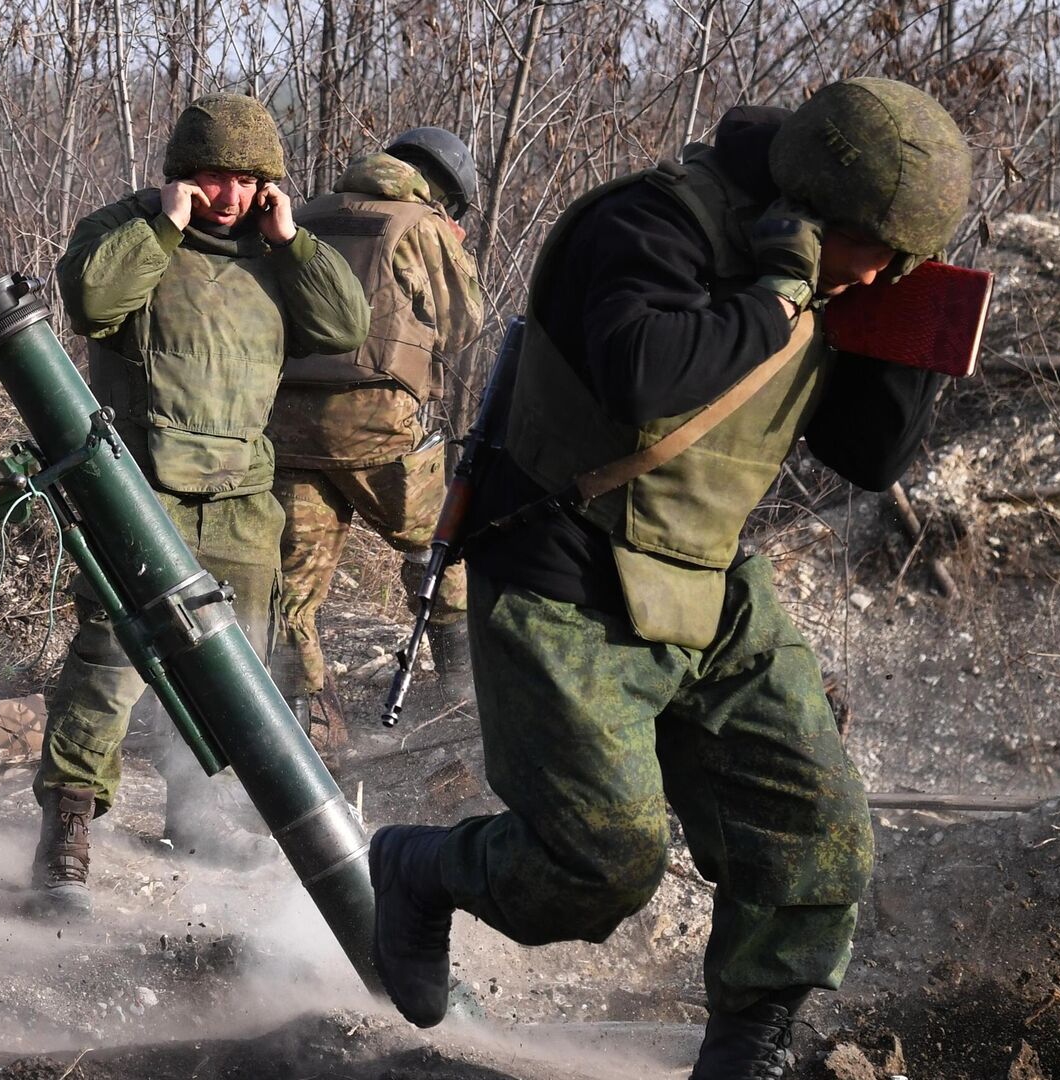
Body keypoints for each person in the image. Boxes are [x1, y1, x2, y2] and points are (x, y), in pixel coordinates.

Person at [366, 78, 973, 1080]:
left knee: (818, 835)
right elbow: (643, 378)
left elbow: (867, 455)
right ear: (824, 217)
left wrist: (908, 339)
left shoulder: (839, 270)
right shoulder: (649, 224)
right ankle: (421, 870)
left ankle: (748, 1050)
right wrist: (778, 297)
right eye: (882, 258)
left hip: (708, 576)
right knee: (599, 864)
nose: (880, 280)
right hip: (566, 567)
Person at [27, 93, 371, 918]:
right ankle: (67, 833)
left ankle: (198, 815)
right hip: (140, 494)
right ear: (185, 173)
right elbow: (92, 305)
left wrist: (291, 240)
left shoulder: (276, 251)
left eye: (251, 181)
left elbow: (344, 325)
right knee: (109, 666)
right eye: (217, 177)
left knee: (235, 676)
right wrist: (164, 227)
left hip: (243, 503)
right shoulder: (128, 229)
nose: (233, 195)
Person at [269, 128, 487, 753]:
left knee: (293, 593)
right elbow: (463, 323)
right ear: (448, 193)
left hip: (290, 429)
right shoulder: (421, 224)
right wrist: (450, 247)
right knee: (443, 550)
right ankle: (461, 706)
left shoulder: (304, 214)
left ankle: (312, 736)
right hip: (379, 430)